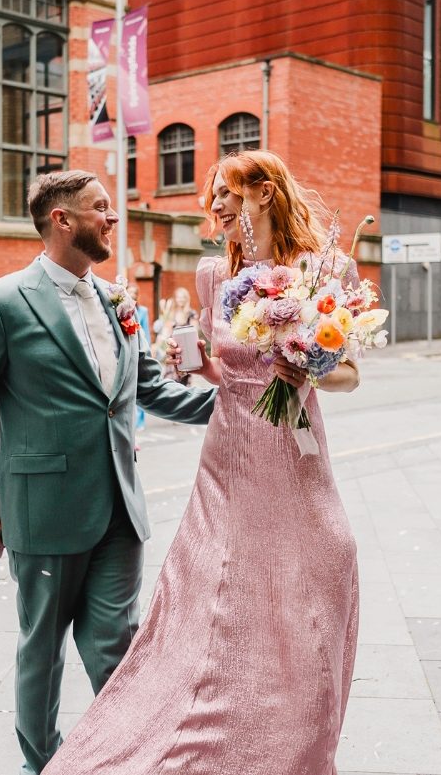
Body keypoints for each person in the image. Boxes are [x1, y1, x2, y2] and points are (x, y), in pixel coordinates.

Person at [41, 150, 361, 775]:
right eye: (213, 193)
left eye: (224, 192)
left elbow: (349, 373)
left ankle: (295, 731)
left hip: (293, 444)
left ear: (263, 193)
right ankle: (206, 722)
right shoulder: (214, 276)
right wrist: (194, 365)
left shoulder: (323, 269)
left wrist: (309, 367)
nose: (213, 204)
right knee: (220, 586)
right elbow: (225, 370)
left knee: (323, 563)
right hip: (228, 447)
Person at [0, 170, 217, 775]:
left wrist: (237, 405)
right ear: (62, 220)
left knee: (117, 646)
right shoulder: (2, 301)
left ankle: (124, 757)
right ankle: (44, 765)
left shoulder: (120, 300)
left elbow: (150, 390)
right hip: (43, 509)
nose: (112, 218)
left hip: (120, 505)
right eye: (101, 209)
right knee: (43, 649)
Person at [155, 286, 198, 383]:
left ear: (187, 298)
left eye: (183, 297)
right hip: (174, 352)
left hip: (186, 352)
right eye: (178, 297)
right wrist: (156, 346)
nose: (180, 299)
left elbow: (194, 333)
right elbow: (166, 332)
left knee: (184, 381)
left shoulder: (191, 314)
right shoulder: (172, 314)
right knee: (170, 380)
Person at [126, 283, 152, 431]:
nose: (132, 296)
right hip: (129, 350)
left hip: (139, 348)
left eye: (135, 294)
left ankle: (140, 421)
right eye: (130, 293)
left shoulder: (142, 311)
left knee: (141, 385)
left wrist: (147, 352)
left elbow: (145, 332)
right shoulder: (121, 308)